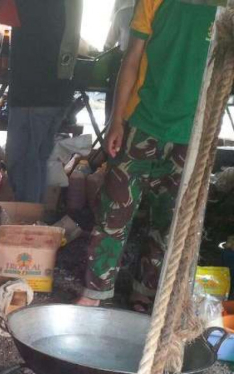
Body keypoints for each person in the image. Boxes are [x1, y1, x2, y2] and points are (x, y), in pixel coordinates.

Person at [76, 0, 216, 310]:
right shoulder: (154, 1)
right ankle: (96, 290)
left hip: (191, 131)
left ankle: (145, 290)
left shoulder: (225, 9)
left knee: (169, 220)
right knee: (114, 209)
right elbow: (132, 59)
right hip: (142, 122)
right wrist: (116, 121)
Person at [0, 0, 82, 203]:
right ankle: (33, 217)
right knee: (37, 159)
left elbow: (0, 10)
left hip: (35, 92)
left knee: (24, 161)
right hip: (57, 90)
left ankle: (27, 220)